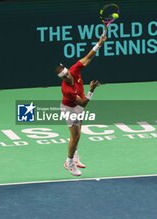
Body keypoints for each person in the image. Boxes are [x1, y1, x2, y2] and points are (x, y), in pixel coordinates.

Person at [55, 26, 107, 176]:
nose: (68, 77)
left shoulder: (74, 70)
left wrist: (99, 43)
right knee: (75, 136)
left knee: (78, 134)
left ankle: (75, 156)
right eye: (64, 77)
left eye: (67, 73)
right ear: (62, 79)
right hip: (69, 109)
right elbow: (83, 103)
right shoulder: (67, 90)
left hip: (77, 107)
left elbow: (87, 58)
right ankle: (69, 162)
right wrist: (92, 90)